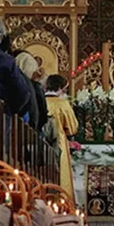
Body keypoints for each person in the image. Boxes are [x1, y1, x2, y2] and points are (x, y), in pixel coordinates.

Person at [45, 75, 79, 206]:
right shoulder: (62, 104)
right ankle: (62, 206)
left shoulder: (40, 100)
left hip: (40, 143)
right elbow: (72, 128)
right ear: (60, 88)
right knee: (61, 178)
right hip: (59, 144)